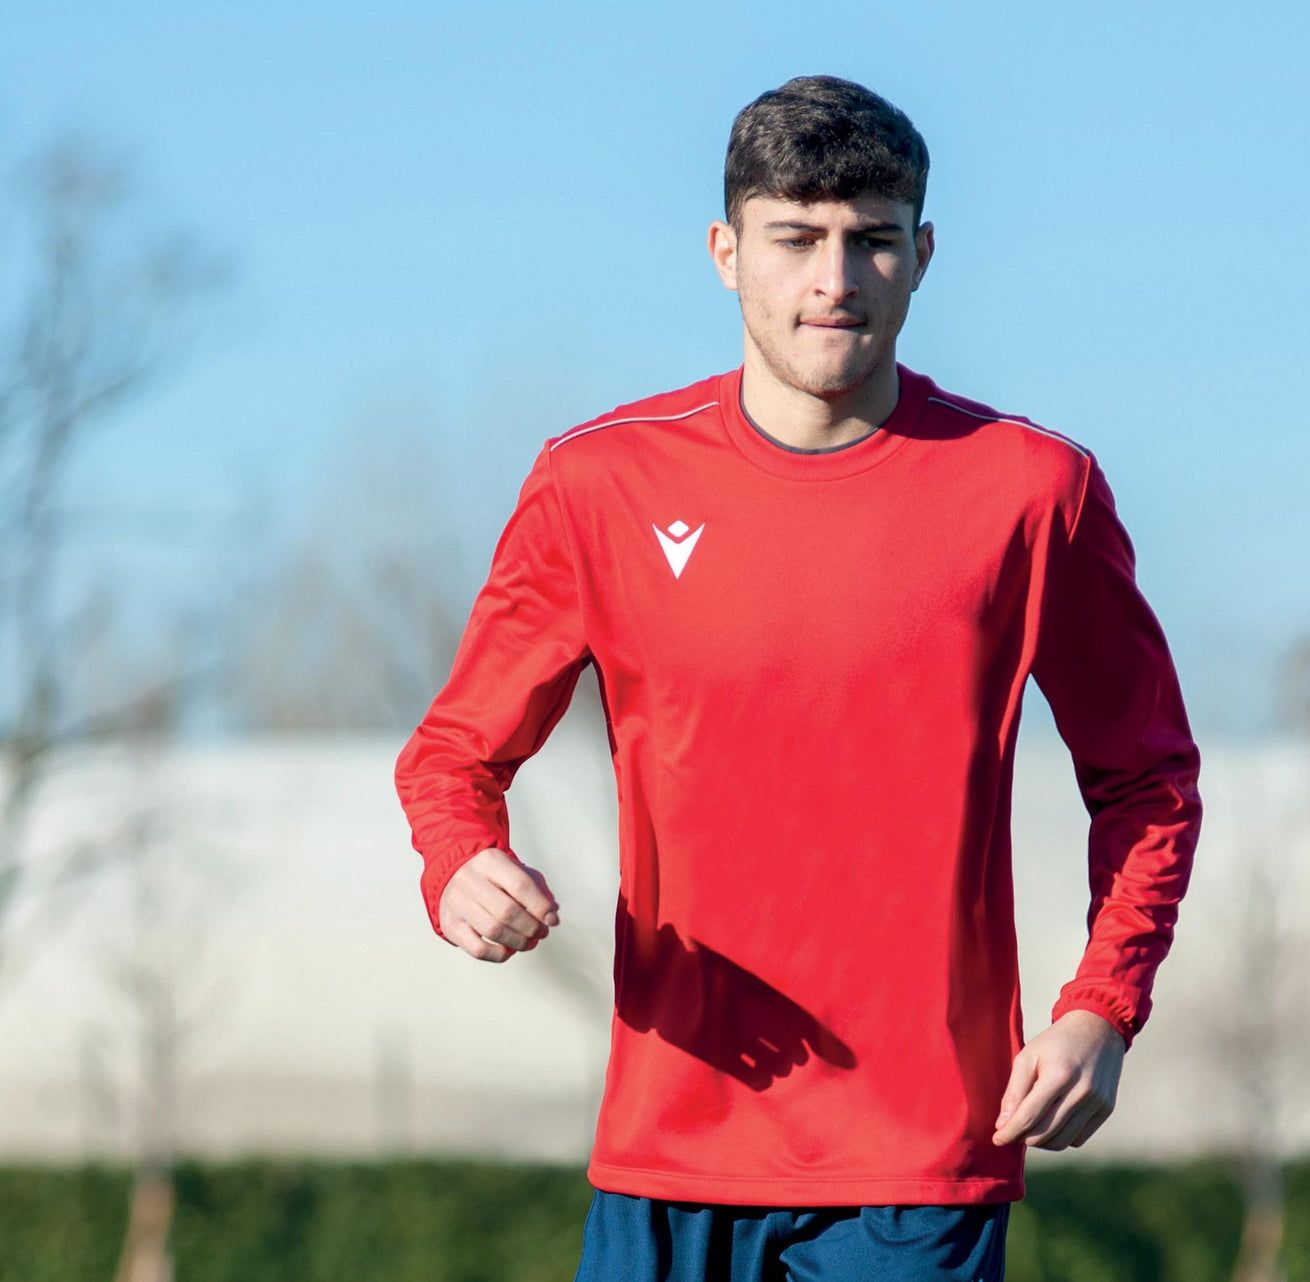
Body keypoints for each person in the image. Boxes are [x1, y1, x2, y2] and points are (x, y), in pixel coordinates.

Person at [393, 74, 1203, 1282]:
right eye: (795, 238)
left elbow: (1147, 780)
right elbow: (453, 756)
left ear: (922, 256)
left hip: (919, 1157)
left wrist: (1104, 1004)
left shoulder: (1033, 492)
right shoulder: (597, 486)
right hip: (669, 1143)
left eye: (872, 238)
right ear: (726, 254)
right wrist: (460, 860)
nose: (835, 278)